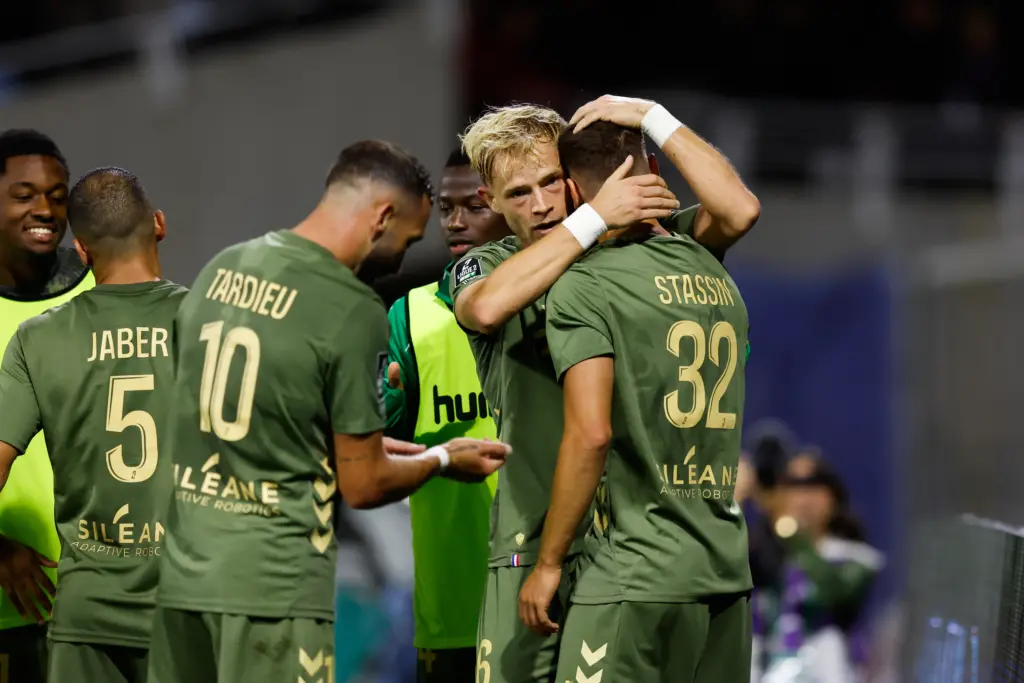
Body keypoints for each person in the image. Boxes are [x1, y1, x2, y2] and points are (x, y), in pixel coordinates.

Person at [147, 140, 512, 683]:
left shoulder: (224, 266)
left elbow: (226, 412)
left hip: (183, 577)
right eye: (408, 239)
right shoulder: (350, 308)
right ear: (382, 217)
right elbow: (363, 485)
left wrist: (354, 439)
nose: (402, 257)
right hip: (275, 587)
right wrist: (442, 458)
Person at [454, 97, 757, 682]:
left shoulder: (641, 246)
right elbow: (486, 308)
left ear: (573, 178)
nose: (541, 204)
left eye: (551, 182)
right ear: (491, 202)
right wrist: (591, 219)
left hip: (623, 550)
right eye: (519, 193)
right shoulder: (488, 264)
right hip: (529, 548)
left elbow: (738, 208)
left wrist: (651, 115)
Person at [0, 168, 183, 682]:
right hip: (188, 609)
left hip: (85, 619)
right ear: (159, 224)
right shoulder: (215, 323)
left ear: (81, 251)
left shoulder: (37, 340)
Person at [383, 147, 512, 683]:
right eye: (446, 208)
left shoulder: (562, 300)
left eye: (475, 206)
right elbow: (385, 447)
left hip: (540, 596)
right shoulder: (410, 315)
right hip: (451, 605)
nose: (456, 221)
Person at [0, 129, 94, 683]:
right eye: (24, 195)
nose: (45, 210)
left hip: (103, 603)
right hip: (9, 609)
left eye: (58, 197)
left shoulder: (100, 286)